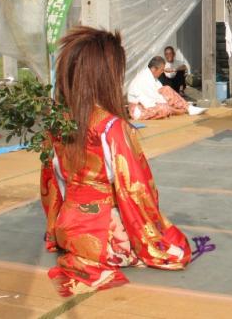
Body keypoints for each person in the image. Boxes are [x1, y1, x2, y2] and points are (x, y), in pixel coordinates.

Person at [40, 27, 192, 296]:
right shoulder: (111, 127)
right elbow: (136, 189)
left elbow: (53, 183)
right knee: (171, 242)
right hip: (104, 237)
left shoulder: (56, 124)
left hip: (67, 229)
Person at [127, 56, 205, 120]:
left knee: (166, 89)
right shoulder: (144, 79)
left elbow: (161, 92)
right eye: (161, 70)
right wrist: (173, 107)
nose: (162, 72)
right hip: (139, 110)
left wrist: (173, 102)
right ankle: (182, 110)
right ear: (154, 69)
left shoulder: (152, 77)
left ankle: (188, 108)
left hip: (147, 104)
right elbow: (150, 102)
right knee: (164, 108)